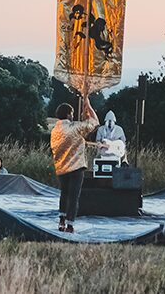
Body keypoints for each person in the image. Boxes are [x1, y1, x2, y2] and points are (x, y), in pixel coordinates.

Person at [50, 96, 99, 233]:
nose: (72, 115)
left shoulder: (54, 130)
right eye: (71, 113)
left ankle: (61, 221)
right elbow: (95, 122)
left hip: (61, 167)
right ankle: (70, 225)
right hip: (76, 167)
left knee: (64, 194)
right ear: (68, 114)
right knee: (73, 197)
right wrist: (88, 105)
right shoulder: (75, 127)